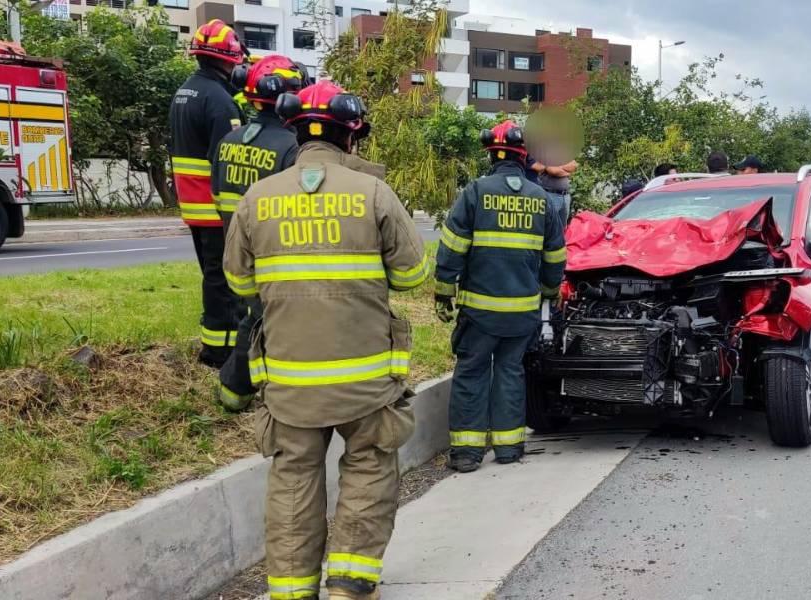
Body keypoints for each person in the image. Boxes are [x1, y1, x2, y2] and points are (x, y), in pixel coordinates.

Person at [224, 80, 429, 600]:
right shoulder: (375, 193)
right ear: (351, 138)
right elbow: (410, 275)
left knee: (293, 477)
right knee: (368, 468)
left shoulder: (257, 198)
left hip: (289, 379)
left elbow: (241, 284)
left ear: (292, 134)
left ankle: (292, 592)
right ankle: (349, 587)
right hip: (366, 380)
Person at [434, 120, 567, 474]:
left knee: (472, 373)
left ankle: (466, 453)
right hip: (522, 313)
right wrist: (549, 294)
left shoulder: (476, 192)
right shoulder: (542, 199)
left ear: (491, 155)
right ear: (524, 158)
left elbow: (452, 247)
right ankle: (509, 449)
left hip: (479, 312)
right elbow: (555, 256)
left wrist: (443, 291)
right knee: (510, 372)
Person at [210, 54, 304, 411]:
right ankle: (235, 388)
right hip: (270, 252)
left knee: (248, 312)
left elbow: (218, 195)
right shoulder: (290, 148)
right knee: (263, 319)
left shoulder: (229, 141)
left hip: (233, 245)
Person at [169, 19, 246, 368]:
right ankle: (219, 352)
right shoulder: (220, 102)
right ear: (228, 59)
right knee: (223, 281)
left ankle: (216, 345)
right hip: (214, 207)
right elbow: (227, 159)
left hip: (193, 203)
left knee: (212, 275)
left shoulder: (185, 91)